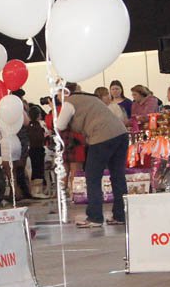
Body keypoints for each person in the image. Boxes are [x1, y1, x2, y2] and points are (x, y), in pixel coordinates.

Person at [55, 89, 128, 228]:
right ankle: (121, 215)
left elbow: (60, 125)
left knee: (92, 176)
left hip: (101, 137)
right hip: (121, 133)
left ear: (64, 92)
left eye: (58, 94)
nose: (57, 97)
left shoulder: (69, 102)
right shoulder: (91, 98)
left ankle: (95, 217)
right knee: (118, 175)